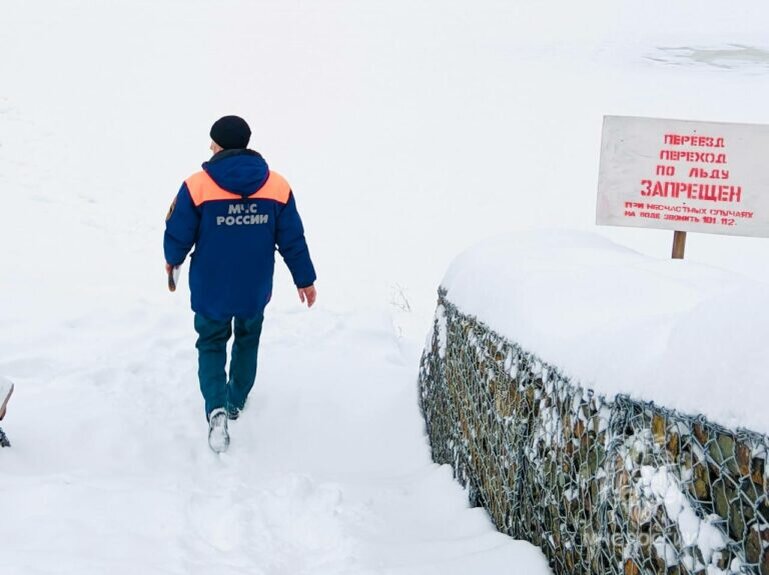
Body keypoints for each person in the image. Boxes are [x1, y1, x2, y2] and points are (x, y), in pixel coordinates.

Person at [164, 115, 317, 453]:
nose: (209, 146)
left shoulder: (197, 185)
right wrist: (304, 279)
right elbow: (292, 238)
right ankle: (235, 401)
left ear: (220, 144)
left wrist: (172, 260)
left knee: (211, 342)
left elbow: (178, 233)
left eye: (212, 141)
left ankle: (216, 408)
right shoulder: (276, 185)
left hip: (211, 286)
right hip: (254, 286)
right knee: (248, 339)